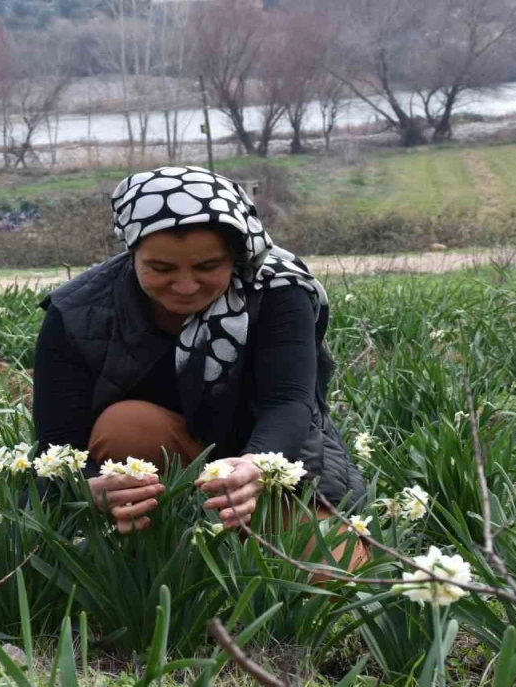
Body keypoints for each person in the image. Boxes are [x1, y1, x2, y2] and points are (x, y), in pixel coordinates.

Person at [32, 166, 367, 569]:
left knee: (332, 573)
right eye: (161, 268)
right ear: (131, 252)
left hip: (263, 461)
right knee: (126, 423)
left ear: (236, 254)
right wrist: (88, 489)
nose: (186, 285)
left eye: (208, 266)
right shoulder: (77, 312)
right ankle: (163, 551)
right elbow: (57, 446)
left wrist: (256, 467)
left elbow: (288, 403)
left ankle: (236, 542)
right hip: (159, 471)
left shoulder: (278, 289)